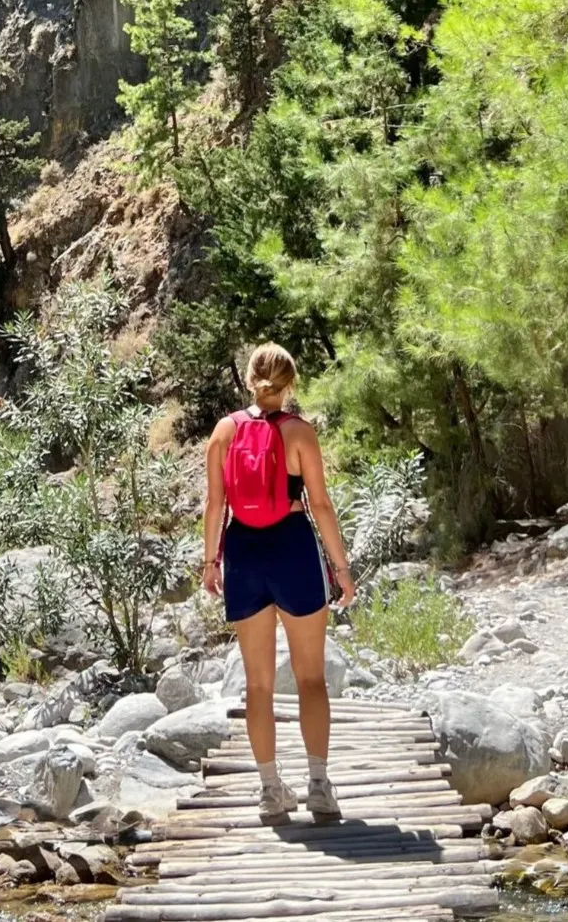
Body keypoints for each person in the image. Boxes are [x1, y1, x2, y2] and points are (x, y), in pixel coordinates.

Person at [202, 342, 357, 818]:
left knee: (258, 685)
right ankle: (318, 785)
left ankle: (271, 790)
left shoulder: (224, 431)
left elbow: (214, 505)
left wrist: (212, 563)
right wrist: (341, 568)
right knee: (311, 677)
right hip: (292, 546)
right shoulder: (300, 434)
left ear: (250, 379)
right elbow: (322, 506)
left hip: (244, 551)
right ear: (291, 384)